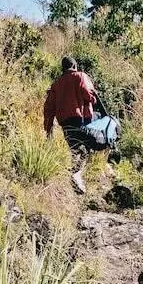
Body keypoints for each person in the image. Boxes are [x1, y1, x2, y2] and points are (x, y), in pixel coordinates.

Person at [44, 56, 97, 194]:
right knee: (87, 149)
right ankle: (76, 175)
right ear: (74, 66)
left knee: (75, 149)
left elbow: (49, 108)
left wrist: (48, 130)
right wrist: (93, 98)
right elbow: (88, 95)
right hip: (79, 119)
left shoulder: (56, 84)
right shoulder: (80, 76)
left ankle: (75, 181)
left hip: (64, 123)